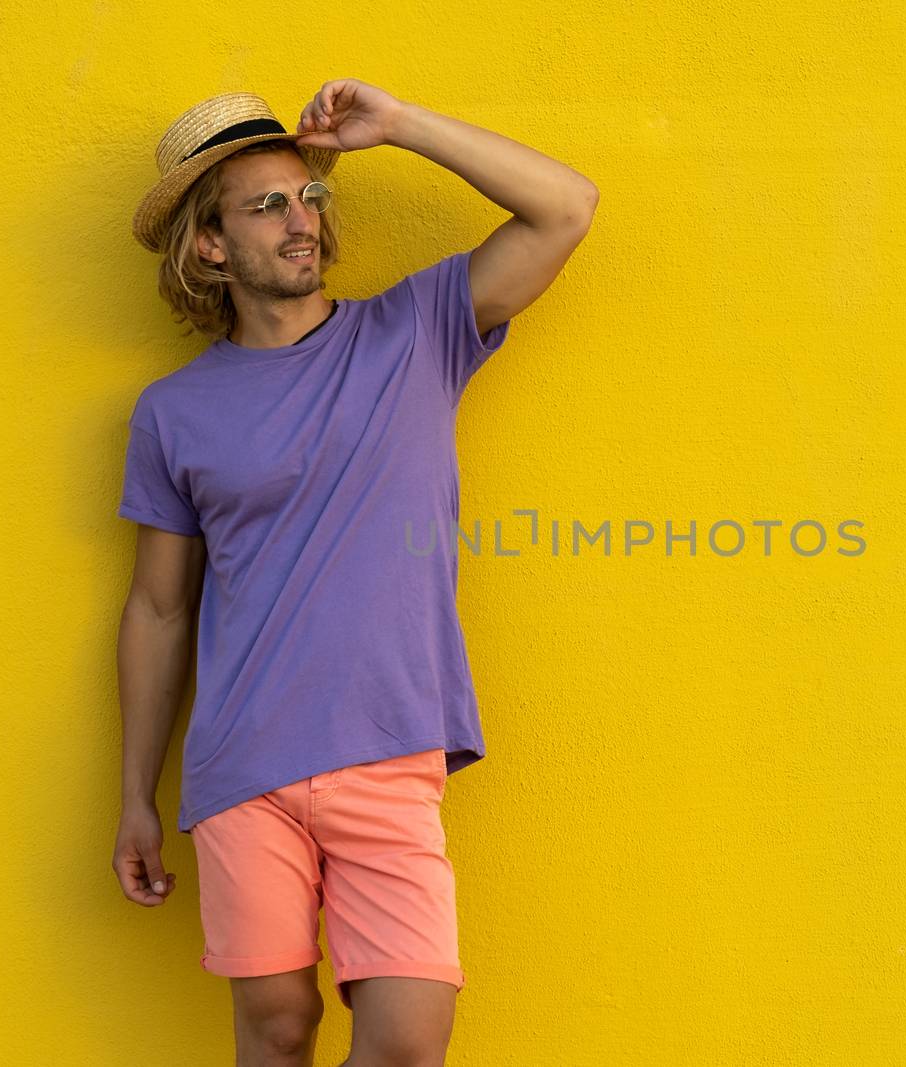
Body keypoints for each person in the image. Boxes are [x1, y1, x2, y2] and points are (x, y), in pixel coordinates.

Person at [111, 81, 596, 1066]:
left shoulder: (412, 333)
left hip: (388, 743)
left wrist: (402, 126)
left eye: (311, 197)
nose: (304, 220)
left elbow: (566, 206)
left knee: (410, 1038)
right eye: (269, 205)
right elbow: (159, 607)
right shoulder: (173, 413)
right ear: (211, 246)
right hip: (241, 762)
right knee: (277, 1025)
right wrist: (134, 794)